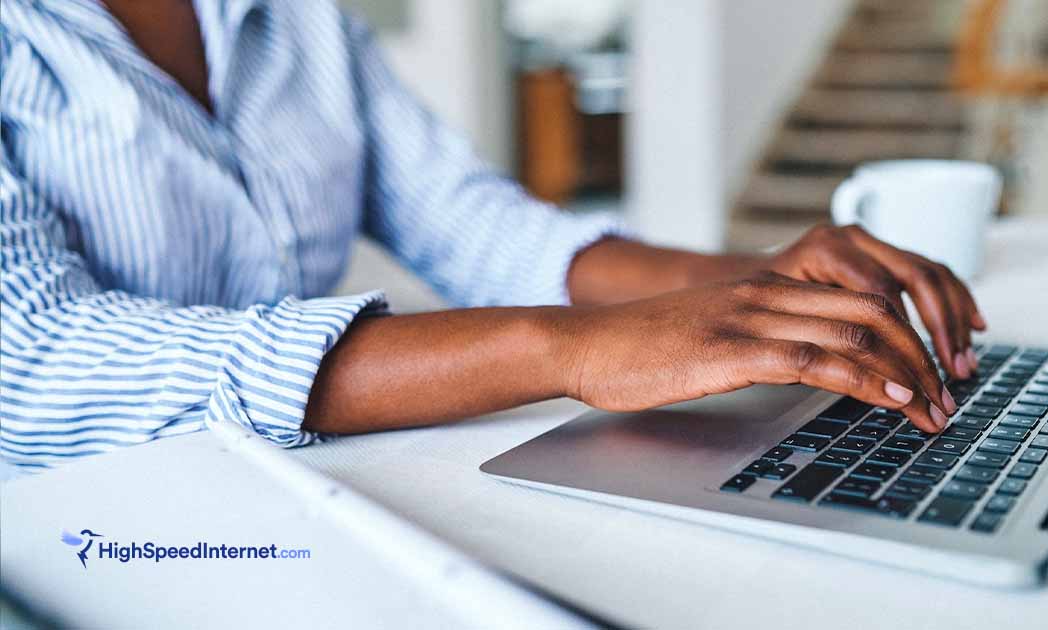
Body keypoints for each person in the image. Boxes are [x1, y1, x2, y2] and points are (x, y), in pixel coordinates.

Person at [0, 0, 984, 472]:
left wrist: (753, 283)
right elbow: (35, 363)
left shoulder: (295, 14)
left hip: (306, 489)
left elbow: (465, 217)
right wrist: (563, 346)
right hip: (92, 541)